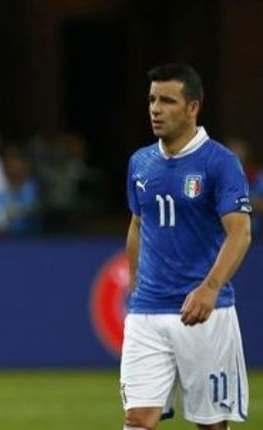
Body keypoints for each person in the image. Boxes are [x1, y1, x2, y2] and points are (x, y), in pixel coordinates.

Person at [121, 64, 252, 430]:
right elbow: (137, 225)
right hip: (147, 312)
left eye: (167, 100)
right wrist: (135, 288)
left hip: (204, 314)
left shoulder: (219, 162)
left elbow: (240, 233)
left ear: (193, 107)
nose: (155, 109)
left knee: (210, 424)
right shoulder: (140, 162)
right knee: (137, 419)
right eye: (151, 100)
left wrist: (209, 289)